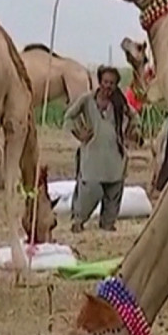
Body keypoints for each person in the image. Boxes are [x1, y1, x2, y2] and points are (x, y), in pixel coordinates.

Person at [63, 65, 135, 232]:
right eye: (105, 82)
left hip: (114, 156)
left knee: (114, 190)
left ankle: (108, 223)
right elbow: (69, 117)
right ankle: (78, 221)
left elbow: (134, 117)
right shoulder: (87, 100)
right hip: (92, 155)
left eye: (112, 83)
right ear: (100, 82)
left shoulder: (119, 102)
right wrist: (79, 133)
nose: (108, 86)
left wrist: (131, 132)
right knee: (90, 189)